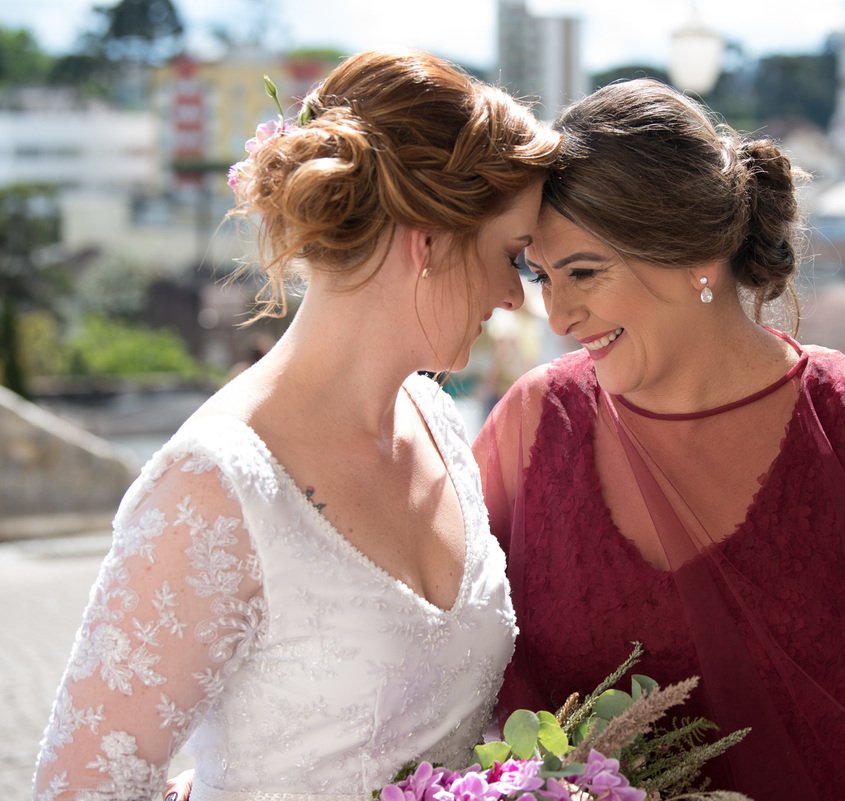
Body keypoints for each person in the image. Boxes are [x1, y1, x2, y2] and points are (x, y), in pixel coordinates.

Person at [474, 79, 845, 800]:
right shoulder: (532, 422)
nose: (557, 315)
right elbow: (446, 664)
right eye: (542, 276)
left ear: (696, 257)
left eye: (583, 272)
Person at [33, 49, 557, 801]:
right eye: (512, 255)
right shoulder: (213, 487)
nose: (516, 294)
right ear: (430, 239)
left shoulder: (439, 423)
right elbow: (77, 788)